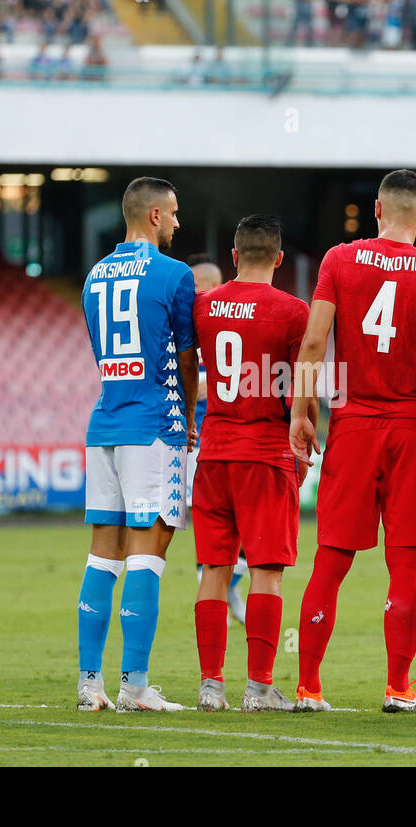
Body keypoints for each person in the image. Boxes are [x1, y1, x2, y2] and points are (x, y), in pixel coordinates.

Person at [289, 169, 416, 713]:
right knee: (405, 564)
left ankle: (309, 687)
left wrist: (302, 412)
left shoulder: (338, 259)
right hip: (411, 428)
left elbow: (313, 341)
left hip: (353, 426)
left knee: (330, 561)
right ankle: (400, 688)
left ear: (377, 211)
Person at [77, 177, 199, 713]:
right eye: (172, 213)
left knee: (103, 556)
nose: (177, 222)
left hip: (105, 422)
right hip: (155, 425)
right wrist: (189, 417)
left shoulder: (93, 276)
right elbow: (187, 357)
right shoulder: (175, 274)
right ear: (152, 215)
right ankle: (134, 686)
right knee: (148, 554)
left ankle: (89, 684)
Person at [192, 215, 312, 713]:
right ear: (279, 259)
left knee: (214, 570)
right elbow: (299, 383)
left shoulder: (204, 305)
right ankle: (259, 689)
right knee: (266, 570)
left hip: (215, 450)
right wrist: (302, 437)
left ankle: (210, 687)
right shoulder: (292, 311)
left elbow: (184, 368)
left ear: (234, 257)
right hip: (265, 452)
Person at [185, 254, 248, 623]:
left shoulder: (234, 324)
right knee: (210, 524)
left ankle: (227, 590)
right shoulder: (183, 330)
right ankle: (219, 595)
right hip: (196, 440)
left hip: (236, 435)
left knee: (242, 525)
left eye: (201, 288)